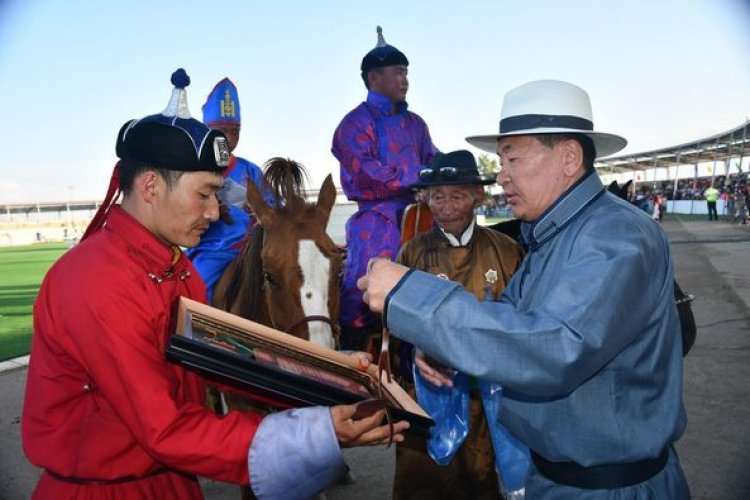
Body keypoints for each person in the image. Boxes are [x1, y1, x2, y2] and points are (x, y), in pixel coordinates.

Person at [21, 69, 407, 500]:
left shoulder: (175, 270)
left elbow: (221, 362)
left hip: (172, 482)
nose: (212, 211)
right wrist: (315, 433)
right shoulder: (97, 281)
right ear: (150, 187)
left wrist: (331, 373)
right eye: (204, 194)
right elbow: (164, 426)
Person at [358, 80, 690, 498]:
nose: (502, 176)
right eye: (501, 161)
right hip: (555, 478)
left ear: (569, 157)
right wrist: (443, 348)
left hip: (608, 488)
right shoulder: (551, 237)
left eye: (512, 158)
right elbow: (512, 325)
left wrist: (410, 296)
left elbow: (555, 347)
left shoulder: (615, 236)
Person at [391, 150, 528, 499]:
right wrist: (417, 348)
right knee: (426, 482)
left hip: (491, 396)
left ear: (478, 196)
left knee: (483, 479)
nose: (447, 206)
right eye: (438, 196)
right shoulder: (411, 253)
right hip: (429, 394)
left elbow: (526, 325)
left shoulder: (507, 251)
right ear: (425, 198)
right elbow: (395, 328)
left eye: (458, 196)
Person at [331, 26, 438, 350]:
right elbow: (366, 174)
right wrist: (418, 175)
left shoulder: (417, 123)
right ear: (374, 77)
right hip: (378, 219)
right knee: (362, 283)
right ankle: (353, 342)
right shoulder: (354, 124)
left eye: (406, 72)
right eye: (399, 72)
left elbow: (434, 159)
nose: (405, 79)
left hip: (421, 214)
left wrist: (454, 169)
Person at [185, 77, 272, 304]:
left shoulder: (250, 170)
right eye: (222, 132)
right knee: (198, 289)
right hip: (214, 250)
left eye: (236, 132)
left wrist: (256, 209)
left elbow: (274, 209)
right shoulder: (193, 170)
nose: (230, 139)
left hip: (254, 248)